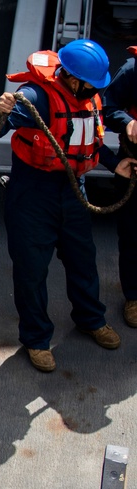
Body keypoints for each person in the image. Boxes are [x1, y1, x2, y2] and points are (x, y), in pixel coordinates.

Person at [0, 39, 136, 373]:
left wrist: (113, 163)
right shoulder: (36, 98)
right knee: (32, 270)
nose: (96, 88)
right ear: (73, 79)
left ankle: (90, 318)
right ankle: (36, 339)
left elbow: (88, 140)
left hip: (73, 189)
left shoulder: (89, 97)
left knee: (83, 259)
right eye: (92, 83)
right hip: (33, 195)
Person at [99, 45, 137, 328]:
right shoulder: (133, 70)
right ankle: (134, 297)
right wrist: (128, 124)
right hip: (136, 164)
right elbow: (106, 106)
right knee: (133, 235)